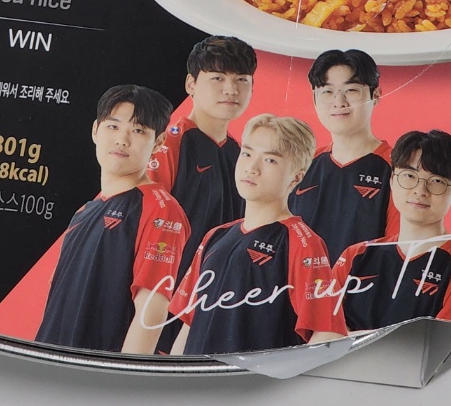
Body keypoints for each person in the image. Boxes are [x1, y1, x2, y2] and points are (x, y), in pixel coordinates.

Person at [169, 114, 346, 354]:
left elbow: (328, 333)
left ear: (297, 175)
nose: (252, 168)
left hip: (249, 378)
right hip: (197, 376)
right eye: (247, 154)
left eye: (270, 160)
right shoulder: (215, 236)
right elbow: (190, 323)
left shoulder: (302, 243)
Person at [36, 85, 191, 355]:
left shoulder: (160, 210)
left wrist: (122, 375)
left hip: (98, 373)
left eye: (138, 130)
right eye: (113, 126)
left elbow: (150, 311)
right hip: (50, 364)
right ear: (95, 130)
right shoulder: (84, 212)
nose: (122, 139)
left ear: (159, 142)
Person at [331, 129, 451, 330]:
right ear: (391, 181)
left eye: (437, 181)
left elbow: (444, 342)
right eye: (409, 175)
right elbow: (324, 335)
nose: (420, 191)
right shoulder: (355, 256)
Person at [148, 36, 256, 271]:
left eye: (241, 79)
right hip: (167, 286)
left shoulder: (241, 154)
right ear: (191, 84)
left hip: (218, 287)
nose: (231, 90)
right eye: (218, 78)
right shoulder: (169, 144)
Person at [289, 49, 398, 260]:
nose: (339, 102)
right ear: (314, 99)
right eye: (327, 92)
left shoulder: (398, 169)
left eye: (351, 90)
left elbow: (398, 253)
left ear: (376, 95)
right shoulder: (301, 165)